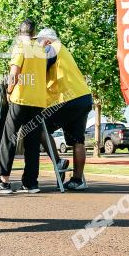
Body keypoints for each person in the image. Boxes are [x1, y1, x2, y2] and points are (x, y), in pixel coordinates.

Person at [0, 19, 47, 194]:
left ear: (19, 33)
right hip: (38, 101)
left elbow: (14, 74)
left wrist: (9, 92)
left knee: (9, 138)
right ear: (34, 33)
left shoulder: (20, 47)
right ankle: (31, 183)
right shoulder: (41, 50)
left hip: (21, 99)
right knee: (32, 143)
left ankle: (3, 182)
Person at [36, 28, 93, 190]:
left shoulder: (51, 48)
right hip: (83, 98)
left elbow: (40, 71)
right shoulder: (65, 50)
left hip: (67, 99)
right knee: (78, 140)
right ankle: (77, 180)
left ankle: (58, 161)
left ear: (46, 40)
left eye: (38, 41)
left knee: (39, 126)